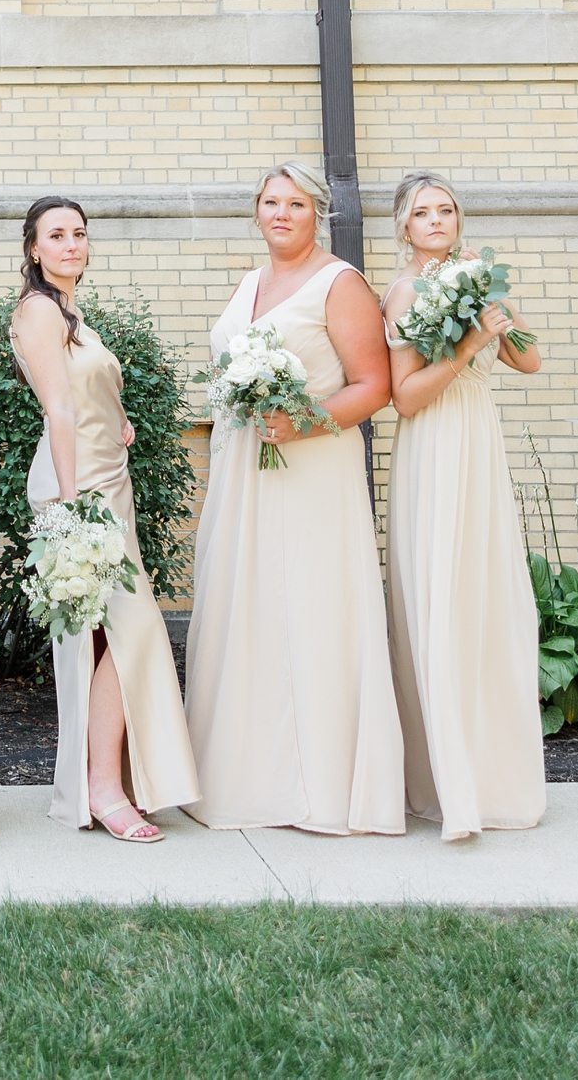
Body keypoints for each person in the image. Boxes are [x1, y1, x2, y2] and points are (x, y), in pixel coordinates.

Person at [184, 161, 405, 835]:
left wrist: (303, 422)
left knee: (310, 608)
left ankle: (321, 788)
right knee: (247, 603)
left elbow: (375, 386)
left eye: (297, 204)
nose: (282, 213)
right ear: (257, 211)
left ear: (318, 214)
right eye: (271, 202)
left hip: (311, 470)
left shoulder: (341, 284)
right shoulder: (251, 282)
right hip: (244, 468)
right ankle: (247, 778)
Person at [9, 197, 199, 840]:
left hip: (107, 483)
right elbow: (57, 411)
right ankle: (102, 788)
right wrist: (71, 511)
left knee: (111, 638)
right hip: (78, 490)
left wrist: (119, 418)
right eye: (56, 236)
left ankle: (106, 783)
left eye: (80, 235)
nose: (71, 245)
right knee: (130, 630)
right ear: (33, 249)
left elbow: (84, 396)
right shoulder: (38, 310)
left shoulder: (73, 315)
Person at [382, 172, 545, 840]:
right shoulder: (400, 293)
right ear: (403, 226)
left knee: (487, 603)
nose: (437, 220)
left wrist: (496, 306)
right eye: (423, 212)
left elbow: (530, 363)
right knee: (440, 601)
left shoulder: (481, 281)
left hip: (480, 444)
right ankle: (446, 787)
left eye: (446, 210)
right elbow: (407, 397)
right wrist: (470, 345)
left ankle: (494, 775)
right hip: (433, 447)